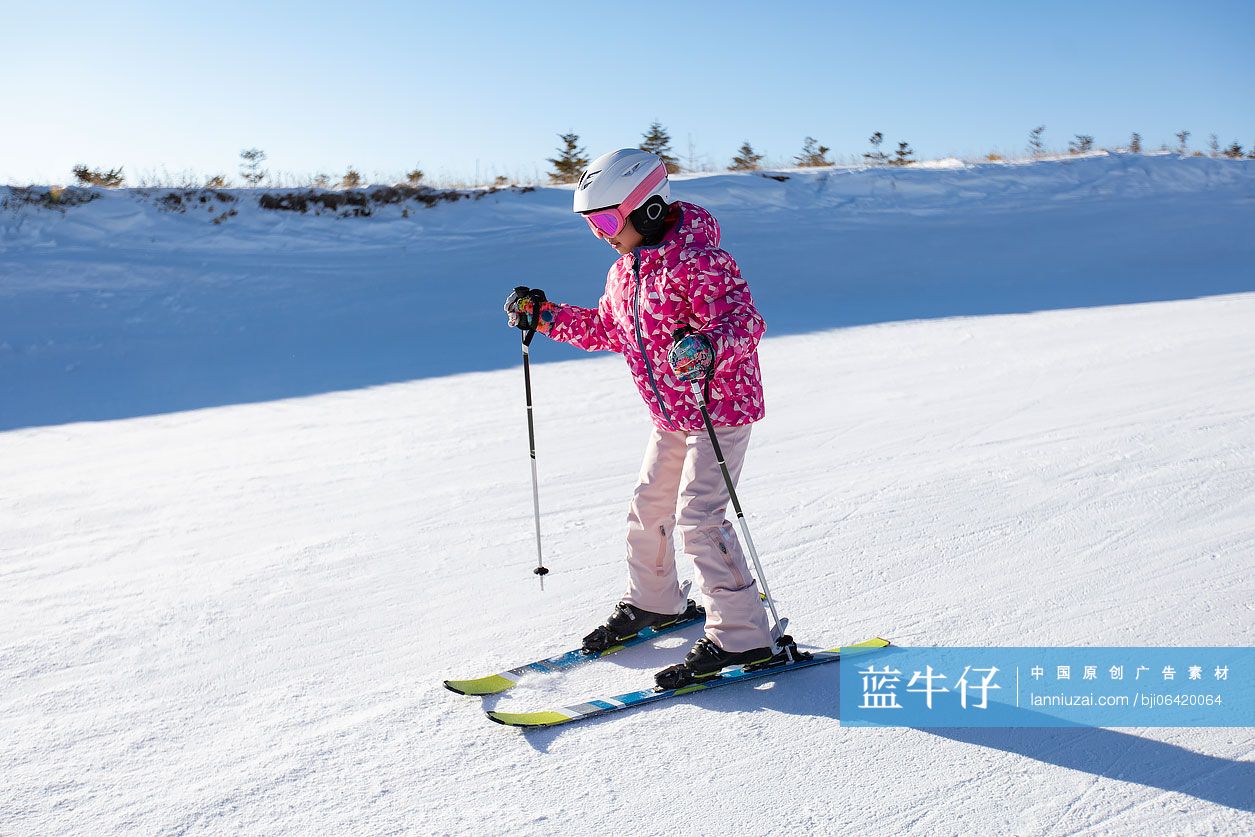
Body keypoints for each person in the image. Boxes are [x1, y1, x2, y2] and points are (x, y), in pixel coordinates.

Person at [504, 148, 775, 687]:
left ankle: (744, 635)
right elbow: (609, 330)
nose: (602, 234)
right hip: (670, 415)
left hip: (717, 410)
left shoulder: (701, 262)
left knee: (700, 519)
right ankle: (657, 603)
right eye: (591, 225)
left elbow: (746, 325)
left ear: (647, 209)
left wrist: (706, 345)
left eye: (607, 220)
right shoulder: (623, 273)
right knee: (648, 508)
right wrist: (545, 315)